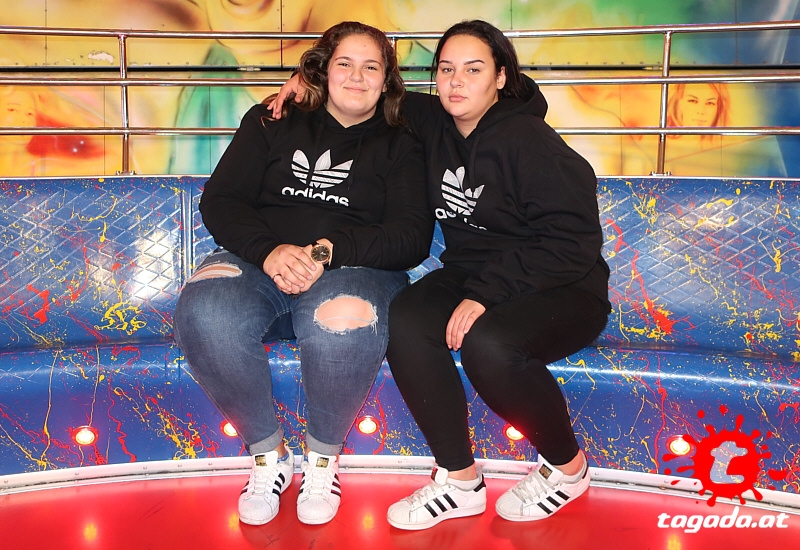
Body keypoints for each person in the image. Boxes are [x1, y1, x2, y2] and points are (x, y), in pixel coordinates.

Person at [271, 19, 610, 530]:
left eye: (473, 70)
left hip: (562, 284)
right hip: (474, 271)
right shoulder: (434, 121)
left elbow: (573, 242)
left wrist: (486, 295)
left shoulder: (529, 140)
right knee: (407, 318)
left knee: (488, 344)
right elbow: (363, 88)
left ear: (500, 77)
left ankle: (568, 467)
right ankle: (460, 479)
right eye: (446, 70)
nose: (456, 82)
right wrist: (307, 81)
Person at [173, 21, 432, 527]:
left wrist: (328, 251)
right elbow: (221, 201)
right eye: (344, 64)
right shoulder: (272, 119)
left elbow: (410, 237)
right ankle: (268, 456)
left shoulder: (404, 140)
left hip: (355, 268)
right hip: (259, 261)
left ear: (386, 79)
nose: (356, 77)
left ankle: (322, 461)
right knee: (204, 312)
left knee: (343, 319)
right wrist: (268, 250)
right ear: (323, 69)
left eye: (371, 67)